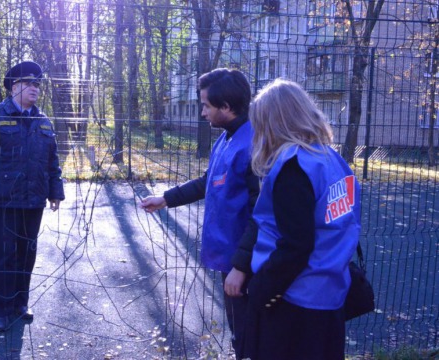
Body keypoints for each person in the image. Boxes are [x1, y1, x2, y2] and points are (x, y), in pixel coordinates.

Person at [140, 68, 259, 358]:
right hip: (232, 259)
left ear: (226, 107)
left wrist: (241, 268)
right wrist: (166, 199)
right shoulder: (227, 138)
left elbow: (262, 215)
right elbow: (209, 181)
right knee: (240, 331)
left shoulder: (255, 144)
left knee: (251, 334)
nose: (202, 112)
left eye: (206, 105)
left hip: (249, 264)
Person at [242, 78, 361, 360]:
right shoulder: (331, 159)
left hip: (294, 298)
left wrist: (262, 290)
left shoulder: (293, 167)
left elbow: (296, 244)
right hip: (328, 293)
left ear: (274, 123)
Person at [0, 61, 65, 332]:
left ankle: (20, 304)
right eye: (30, 83)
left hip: (33, 201)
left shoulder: (43, 121)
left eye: (38, 84)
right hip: (2, 200)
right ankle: (2, 311)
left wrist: (56, 192)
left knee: (26, 255)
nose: (36, 89)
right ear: (14, 87)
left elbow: (52, 161)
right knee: (3, 256)